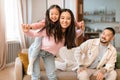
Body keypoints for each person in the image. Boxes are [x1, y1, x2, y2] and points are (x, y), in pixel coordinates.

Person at [22, 8, 85, 80]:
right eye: (62, 18)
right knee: (36, 76)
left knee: (52, 76)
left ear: (71, 21)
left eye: (68, 18)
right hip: (36, 51)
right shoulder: (51, 30)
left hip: (49, 54)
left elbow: (77, 33)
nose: (65, 21)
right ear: (59, 19)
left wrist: (82, 29)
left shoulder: (69, 34)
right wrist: (26, 31)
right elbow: (34, 34)